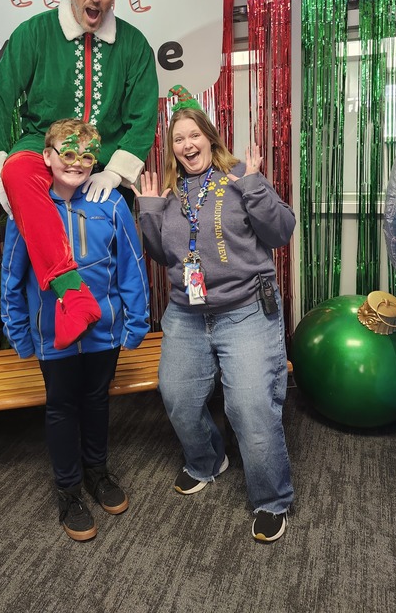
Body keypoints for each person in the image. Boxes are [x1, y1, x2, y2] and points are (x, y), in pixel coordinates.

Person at [0, 0, 158, 350]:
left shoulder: (134, 46)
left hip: (102, 160)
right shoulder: (34, 32)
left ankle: (113, 331)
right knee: (17, 173)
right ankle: (72, 296)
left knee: (114, 247)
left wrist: (114, 174)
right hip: (41, 146)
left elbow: (144, 116)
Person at [133, 86, 295, 543]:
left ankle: (271, 499)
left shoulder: (241, 175)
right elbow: (163, 256)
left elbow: (281, 232)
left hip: (246, 309)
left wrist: (256, 186)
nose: (187, 145)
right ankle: (207, 460)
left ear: (209, 135)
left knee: (248, 404)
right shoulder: (166, 191)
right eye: (178, 139)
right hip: (187, 313)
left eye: (193, 135)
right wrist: (148, 211)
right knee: (177, 396)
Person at [1, 118, 150, 542]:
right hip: (54, 336)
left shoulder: (111, 202)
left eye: (87, 154)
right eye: (67, 152)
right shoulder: (28, 207)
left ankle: (97, 472)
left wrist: (136, 321)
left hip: (103, 329)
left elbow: (132, 266)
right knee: (62, 407)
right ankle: (67, 490)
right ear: (47, 156)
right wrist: (18, 330)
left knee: (97, 400)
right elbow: (12, 274)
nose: (78, 162)